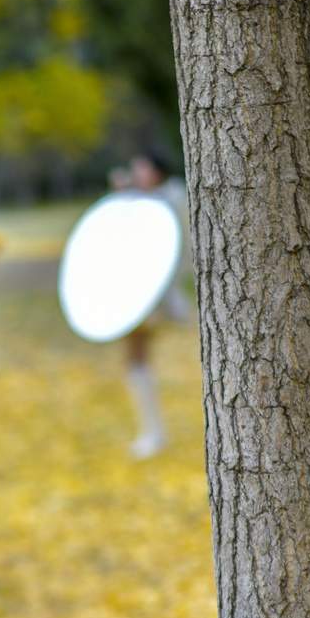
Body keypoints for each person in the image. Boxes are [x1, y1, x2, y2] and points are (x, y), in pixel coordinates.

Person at [115, 150, 192, 460]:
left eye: (142, 169)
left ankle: (153, 433)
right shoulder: (142, 201)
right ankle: (151, 430)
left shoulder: (167, 200)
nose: (137, 176)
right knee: (135, 359)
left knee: (137, 357)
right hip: (140, 295)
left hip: (156, 297)